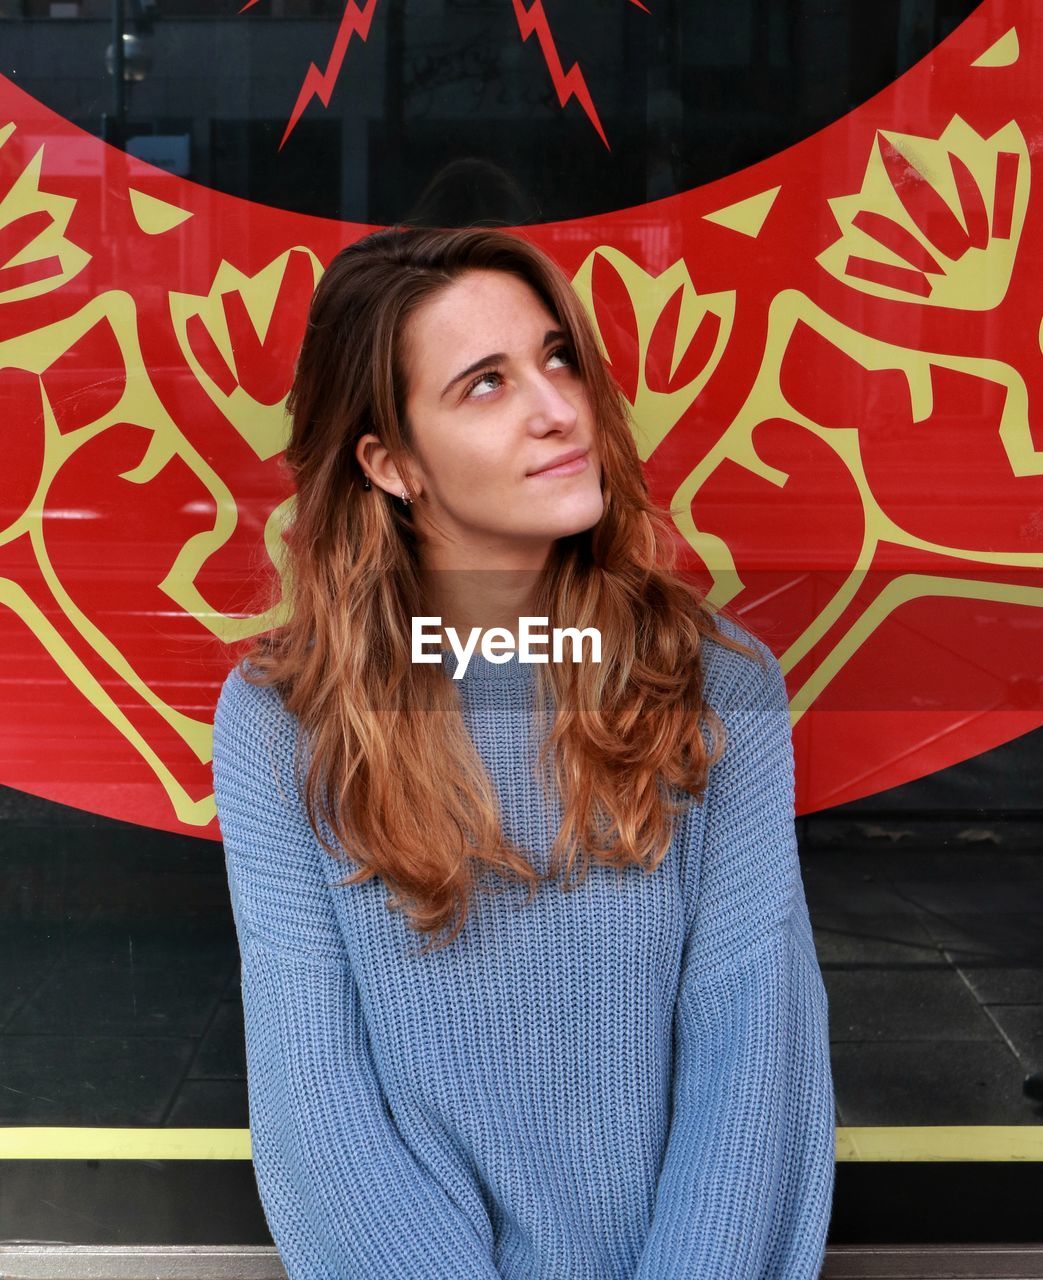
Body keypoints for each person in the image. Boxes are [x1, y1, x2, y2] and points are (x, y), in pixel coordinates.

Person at [210, 225, 836, 1279]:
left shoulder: (717, 687)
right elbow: (317, 1113)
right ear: (390, 461)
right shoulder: (284, 718)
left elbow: (752, 1071)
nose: (558, 409)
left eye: (556, 357)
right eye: (484, 385)